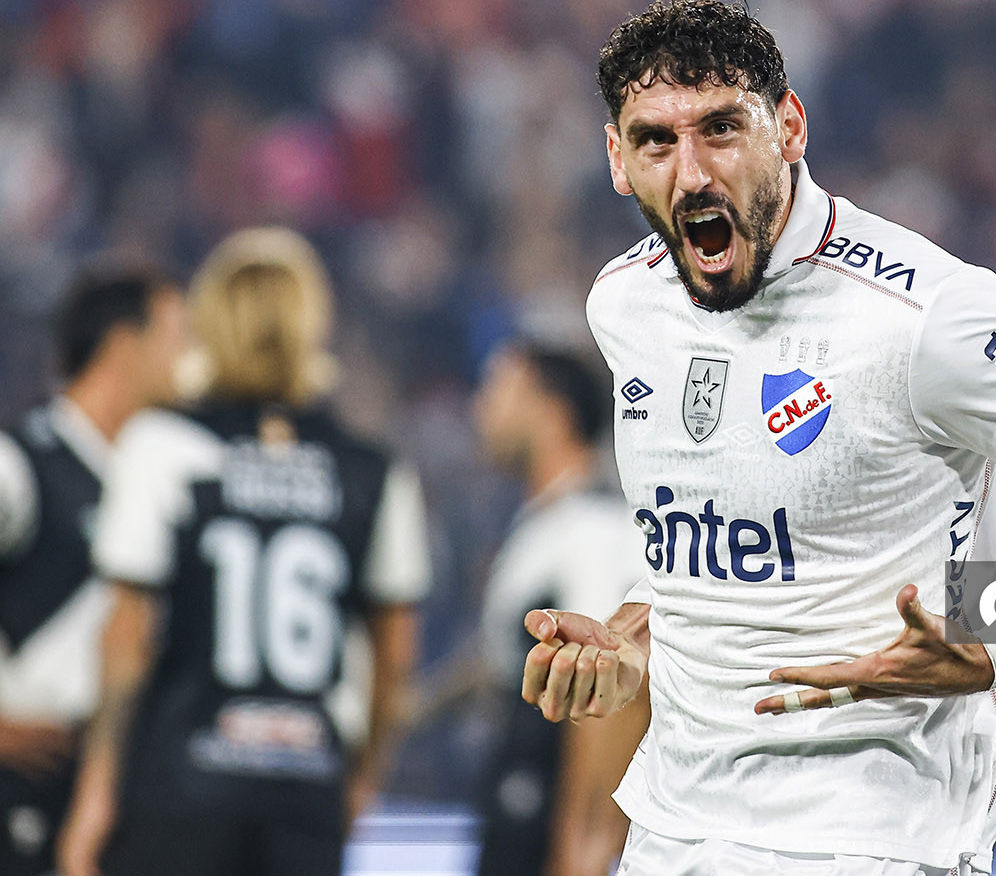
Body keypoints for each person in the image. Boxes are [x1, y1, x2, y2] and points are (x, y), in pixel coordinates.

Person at [520, 0, 996, 875]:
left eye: (721, 129)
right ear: (617, 160)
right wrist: (633, 644)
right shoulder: (625, 303)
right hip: (672, 831)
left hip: (874, 840)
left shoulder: (929, 314)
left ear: (791, 128)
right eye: (656, 139)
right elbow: (711, 556)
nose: (691, 173)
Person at [57, 228, 432, 876]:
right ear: (313, 323)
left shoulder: (163, 444)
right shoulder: (371, 470)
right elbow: (395, 656)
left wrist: (96, 791)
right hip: (304, 789)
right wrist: (362, 776)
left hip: (177, 787)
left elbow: (126, 637)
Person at [424, 341, 647, 875]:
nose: (482, 407)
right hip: (516, 796)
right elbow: (505, 661)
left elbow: (605, 690)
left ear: (551, 414)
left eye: (499, 389)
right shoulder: (543, 523)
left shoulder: (590, 531)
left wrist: (582, 850)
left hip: (544, 808)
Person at [0, 270, 186, 876]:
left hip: (118, 788)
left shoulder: (163, 482)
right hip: (21, 789)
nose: (190, 362)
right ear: (123, 345)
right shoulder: (20, 464)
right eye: (176, 338)